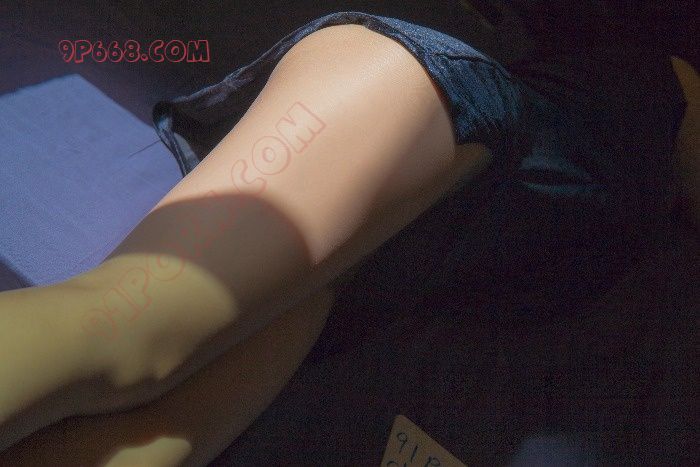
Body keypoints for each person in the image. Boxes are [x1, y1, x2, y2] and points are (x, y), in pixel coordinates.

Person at [0, 9, 696, 466]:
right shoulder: (650, 91)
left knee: (156, 443)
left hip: (377, 271)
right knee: (128, 322)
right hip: (437, 93)